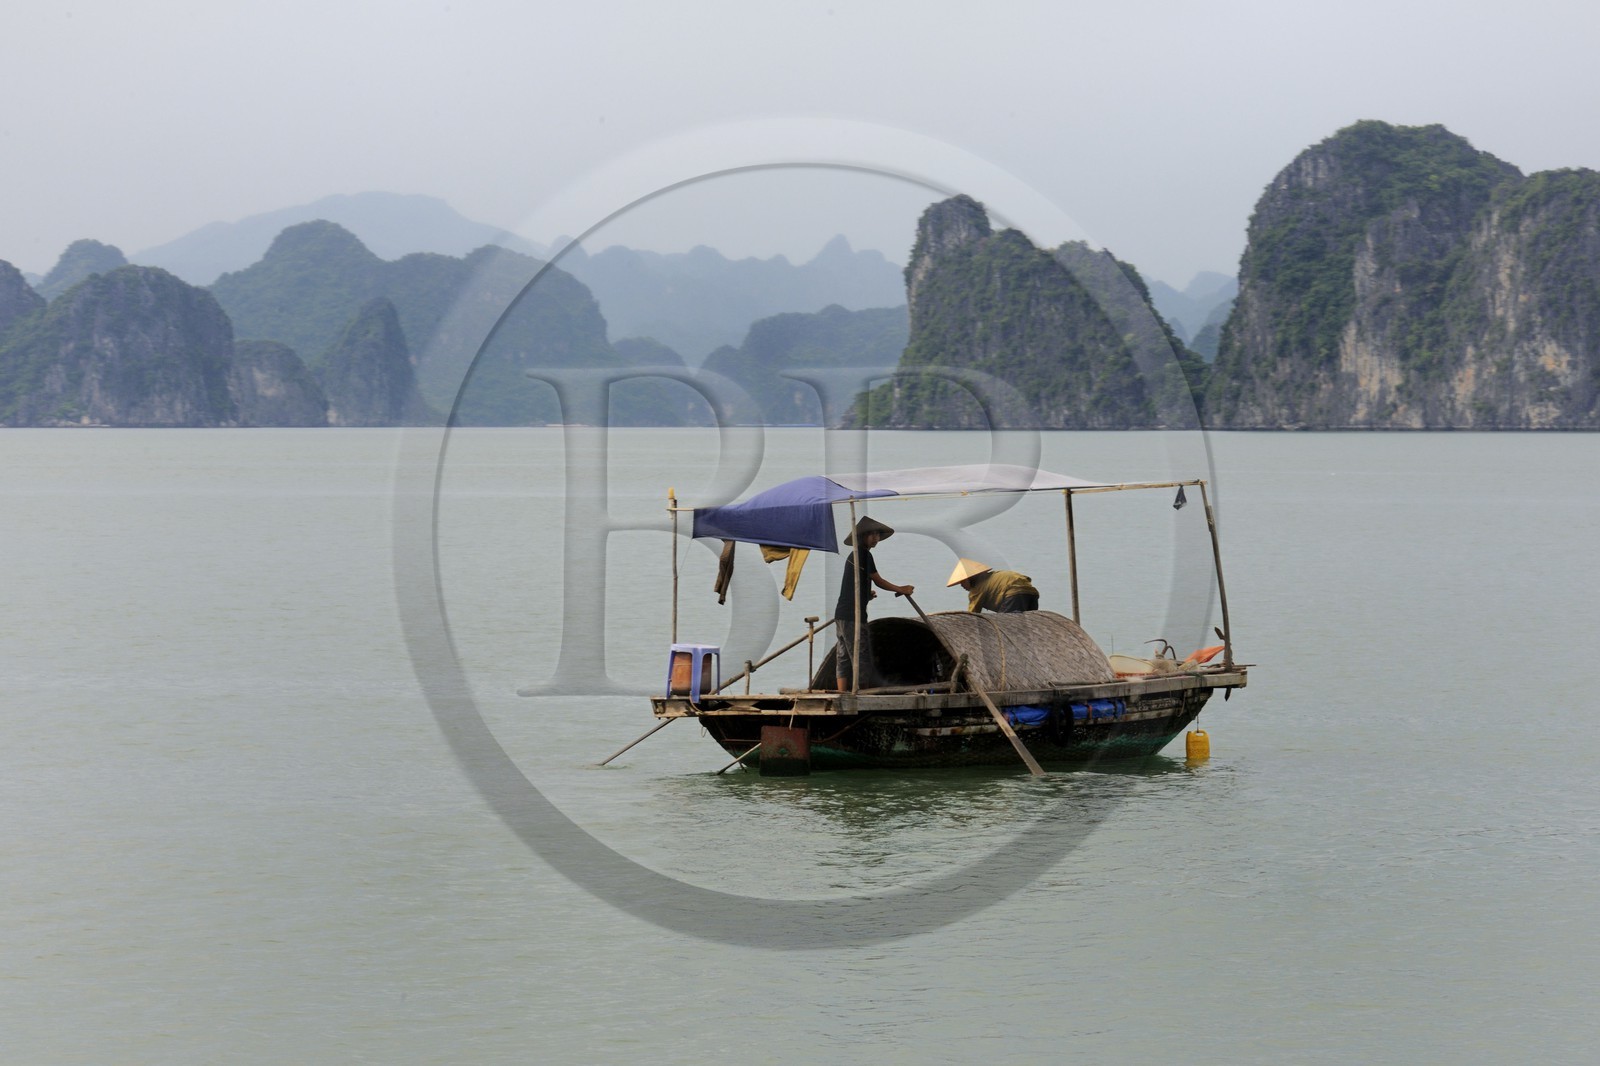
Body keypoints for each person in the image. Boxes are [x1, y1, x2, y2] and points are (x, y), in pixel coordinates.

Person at [834, 516, 914, 691]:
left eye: (877, 535)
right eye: (872, 535)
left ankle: (842, 692)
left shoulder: (855, 555)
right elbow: (878, 580)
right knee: (860, 654)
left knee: (844, 655)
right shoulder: (863, 554)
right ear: (863, 537)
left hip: (841, 613)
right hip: (853, 615)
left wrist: (865, 594)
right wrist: (900, 588)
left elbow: (854, 584)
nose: (876, 538)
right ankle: (862, 692)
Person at [946, 558, 1039, 613]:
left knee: (1006, 624)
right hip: (1031, 593)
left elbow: (972, 614)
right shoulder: (992, 577)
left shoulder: (977, 589)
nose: (962, 585)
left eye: (962, 582)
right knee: (1029, 622)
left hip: (1014, 594)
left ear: (970, 578)